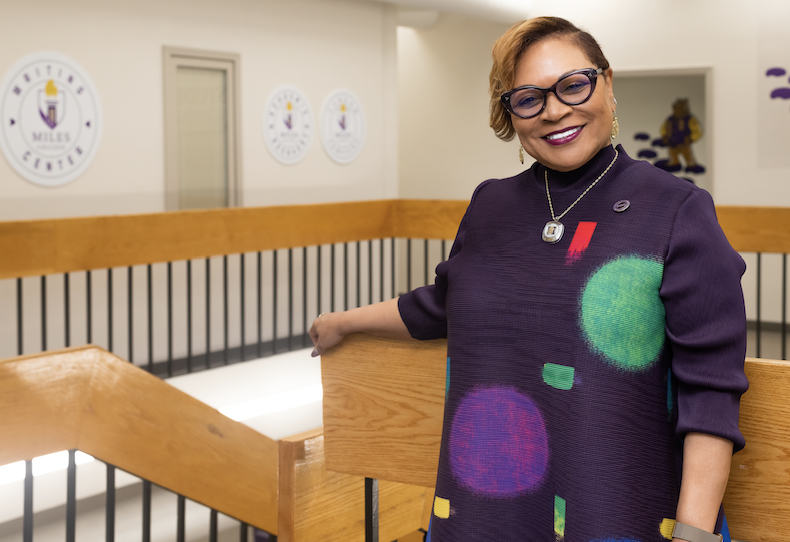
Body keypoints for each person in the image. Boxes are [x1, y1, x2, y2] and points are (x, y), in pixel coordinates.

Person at [310, 16, 747, 542]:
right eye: (529, 98)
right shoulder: (491, 203)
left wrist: (694, 535)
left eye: (573, 85)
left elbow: (711, 392)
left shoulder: (675, 209)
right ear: (511, 114)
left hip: (613, 514)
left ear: (608, 83)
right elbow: (445, 303)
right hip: (482, 514)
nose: (554, 110)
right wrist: (342, 322)